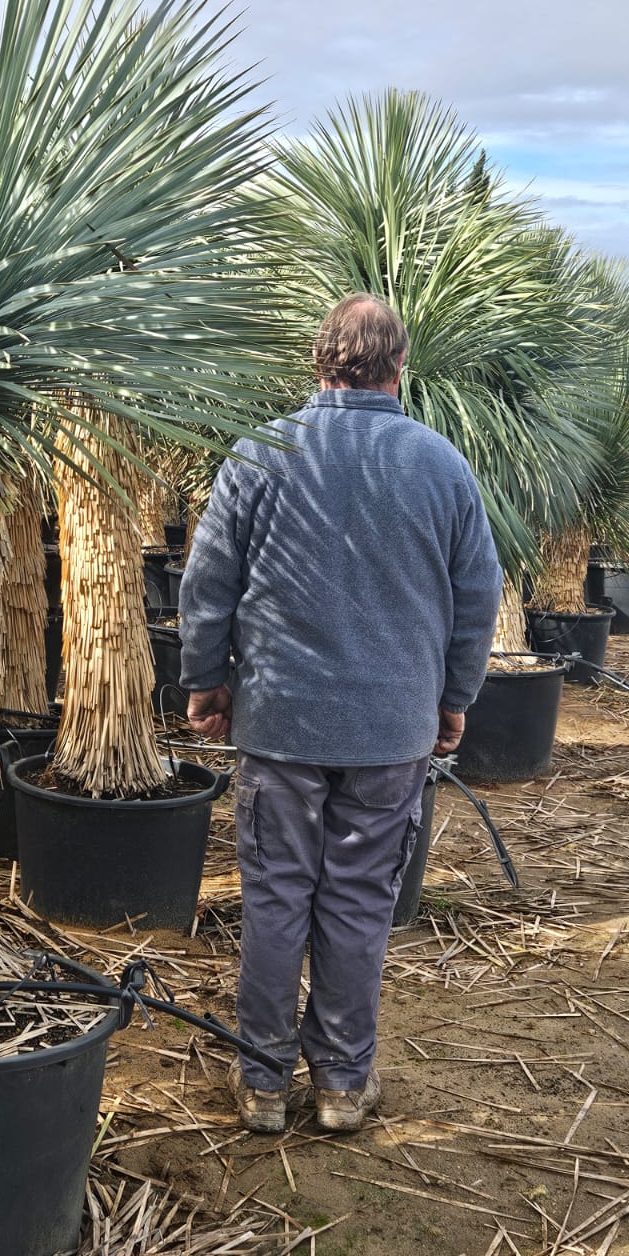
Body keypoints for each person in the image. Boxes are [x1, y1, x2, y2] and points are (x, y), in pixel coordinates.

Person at [179, 293, 503, 1134]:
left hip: (281, 724)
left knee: (277, 897)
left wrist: (206, 679)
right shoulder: (440, 464)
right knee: (359, 901)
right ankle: (341, 1088)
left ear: (318, 362)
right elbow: (477, 595)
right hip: (391, 728)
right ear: (402, 370)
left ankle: (260, 1085)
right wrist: (453, 699)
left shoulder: (262, 454)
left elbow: (209, 581)